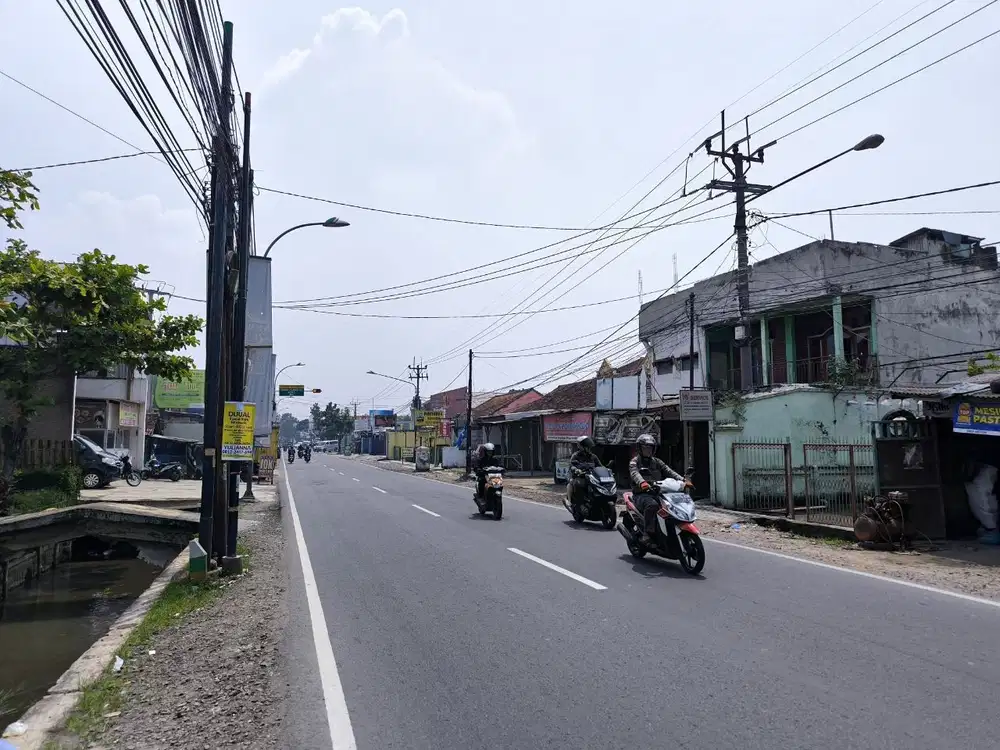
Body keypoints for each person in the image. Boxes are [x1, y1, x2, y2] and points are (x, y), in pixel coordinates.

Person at [628, 433, 690, 542]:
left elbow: (669, 471)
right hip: (641, 494)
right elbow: (634, 473)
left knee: (672, 506)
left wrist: (683, 480)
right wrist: (642, 482)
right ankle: (647, 533)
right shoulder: (635, 461)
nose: (648, 450)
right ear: (639, 448)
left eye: (650, 448)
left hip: (657, 492)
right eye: (645, 448)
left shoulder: (657, 461)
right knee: (652, 505)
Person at [569, 436, 602, 506]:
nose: (588, 449)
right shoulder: (576, 456)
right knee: (574, 484)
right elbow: (572, 465)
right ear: (581, 446)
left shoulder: (593, 456)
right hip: (579, 476)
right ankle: (572, 502)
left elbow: (600, 466)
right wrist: (576, 469)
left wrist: (606, 470)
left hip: (592, 477)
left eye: (589, 447)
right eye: (587, 447)